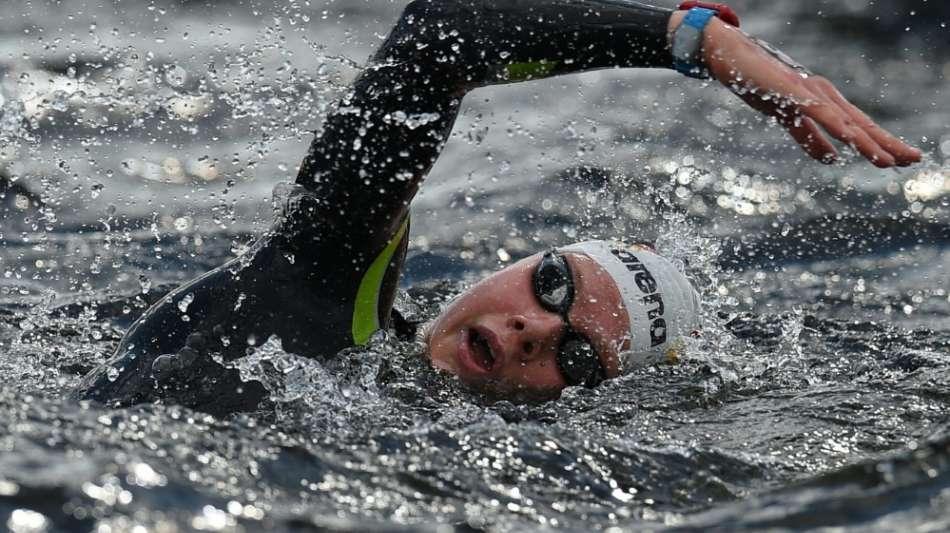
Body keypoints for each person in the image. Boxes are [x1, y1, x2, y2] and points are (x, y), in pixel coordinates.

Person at [71, 0, 921, 416]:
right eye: (551, 284)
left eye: (577, 357)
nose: (530, 328)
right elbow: (436, 39)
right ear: (514, 263)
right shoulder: (319, 296)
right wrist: (693, 39)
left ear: (584, 404)